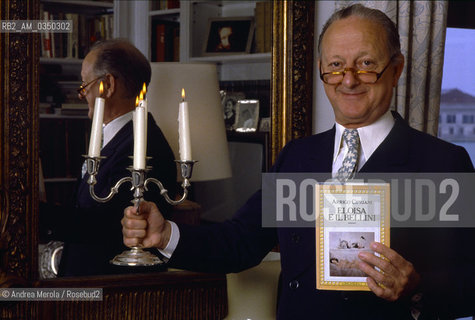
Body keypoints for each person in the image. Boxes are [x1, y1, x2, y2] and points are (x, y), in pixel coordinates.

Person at [122, 5, 475, 319]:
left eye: (366, 64)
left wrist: (416, 286)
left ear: (395, 70)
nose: (348, 79)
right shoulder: (298, 156)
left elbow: (468, 285)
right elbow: (239, 242)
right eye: (336, 66)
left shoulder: (442, 163)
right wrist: (165, 234)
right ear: (322, 70)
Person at [40, 39, 177, 277]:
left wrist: (30, 212)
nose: (82, 95)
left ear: (108, 84)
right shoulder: (117, 138)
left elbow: (105, 226)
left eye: (85, 84)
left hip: (110, 290)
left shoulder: (143, 146)